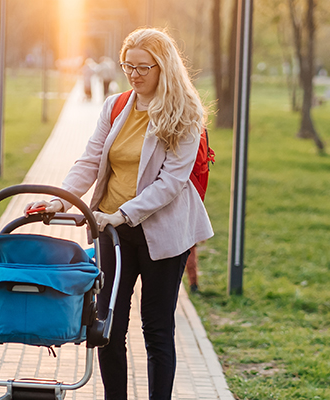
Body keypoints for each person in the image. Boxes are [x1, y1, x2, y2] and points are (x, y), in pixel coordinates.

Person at [25, 28, 213, 400]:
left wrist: (122, 213)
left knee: (157, 329)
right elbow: (91, 159)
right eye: (128, 65)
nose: (134, 73)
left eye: (143, 66)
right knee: (108, 324)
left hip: (163, 233)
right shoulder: (115, 105)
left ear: (164, 67)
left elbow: (170, 182)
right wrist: (62, 200)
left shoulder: (185, 113)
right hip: (114, 233)